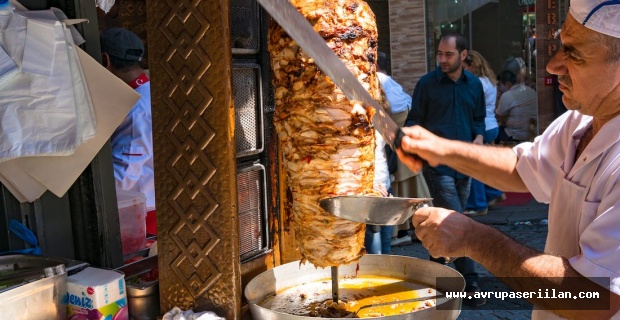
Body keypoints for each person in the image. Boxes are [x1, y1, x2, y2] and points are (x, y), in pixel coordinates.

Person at [397, 1, 620, 318]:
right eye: (560, 46)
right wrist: (437, 147)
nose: (553, 65)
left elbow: (595, 298)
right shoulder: (580, 122)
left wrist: (473, 238)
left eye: (574, 54)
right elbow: (521, 168)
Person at [404, 31, 486, 307]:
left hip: (466, 163)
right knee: (457, 220)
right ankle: (471, 281)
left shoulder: (474, 85)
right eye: (439, 53)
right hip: (438, 166)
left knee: (445, 223)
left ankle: (435, 277)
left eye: (448, 54)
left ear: (464, 55)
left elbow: (479, 119)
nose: (441, 59)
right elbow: (414, 119)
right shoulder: (426, 84)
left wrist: (479, 137)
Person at [376, 52, 430, 246]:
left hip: (392, 139)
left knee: (387, 199)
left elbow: (398, 107)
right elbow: (406, 103)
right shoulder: (390, 82)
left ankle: (402, 231)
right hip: (395, 137)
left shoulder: (377, 80)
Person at [100, 28, 156, 212]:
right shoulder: (149, 91)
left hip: (138, 211)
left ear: (104, 60)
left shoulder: (136, 109)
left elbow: (121, 177)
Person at [462, 50, 505, 217]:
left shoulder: (476, 83)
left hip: (482, 128)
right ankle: (493, 192)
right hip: (492, 126)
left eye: (465, 67)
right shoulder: (489, 80)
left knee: (474, 168)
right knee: (481, 166)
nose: (463, 70)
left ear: (472, 66)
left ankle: (478, 204)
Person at [495, 70, 538, 143]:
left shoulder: (506, 95)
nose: (500, 88)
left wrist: (498, 98)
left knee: (494, 131)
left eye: (500, 85)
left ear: (507, 84)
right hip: (532, 132)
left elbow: (498, 116)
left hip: (514, 135)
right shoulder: (531, 90)